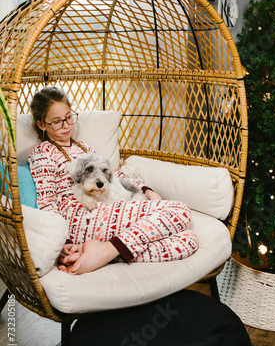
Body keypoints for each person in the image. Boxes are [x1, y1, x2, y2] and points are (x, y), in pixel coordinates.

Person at [28, 86, 199, 275]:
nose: (66, 125)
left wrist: (146, 189)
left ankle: (104, 253)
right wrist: (63, 243)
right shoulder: (43, 152)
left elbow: (113, 174)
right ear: (42, 125)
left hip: (104, 208)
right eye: (57, 122)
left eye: (69, 117)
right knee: (180, 210)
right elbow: (46, 202)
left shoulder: (83, 147)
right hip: (80, 218)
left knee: (188, 240)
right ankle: (105, 251)